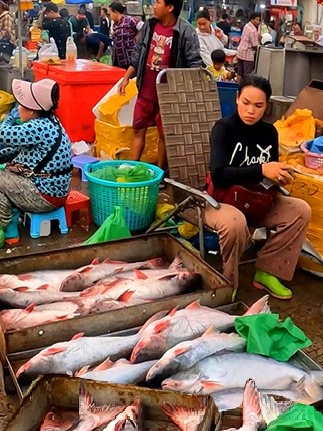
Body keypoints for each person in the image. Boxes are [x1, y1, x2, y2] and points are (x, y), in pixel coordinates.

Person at [205, 75, 310, 299]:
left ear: (266, 106)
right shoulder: (223, 129)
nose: (251, 111)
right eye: (246, 103)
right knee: (235, 223)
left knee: (301, 210)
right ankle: (228, 282)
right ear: (236, 99)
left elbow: (267, 174)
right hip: (222, 202)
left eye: (258, 105)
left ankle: (268, 271)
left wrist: (278, 177)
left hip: (257, 200)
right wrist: (261, 170)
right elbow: (219, 175)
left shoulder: (269, 133)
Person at [116, 0, 201, 168]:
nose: (154, 6)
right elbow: (138, 53)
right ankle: (131, 170)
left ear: (170, 7)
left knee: (164, 135)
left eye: (158, 2)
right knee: (138, 130)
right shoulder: (149, 26)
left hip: (168, 96)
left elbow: (194, 63)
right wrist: (126, 78)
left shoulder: (186, 31)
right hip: (145, 91)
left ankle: (160, 175)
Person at [0, 78, 71, 240]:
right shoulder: (49, 121)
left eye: (21, 106)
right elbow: (23, 147)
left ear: (32, 111)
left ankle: (7, 231)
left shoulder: (38, 126)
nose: (18, 108)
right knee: (6, 170)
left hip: (47, 196)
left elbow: (2, 135)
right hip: (55, 190)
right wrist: (1, 156)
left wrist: (10, 117)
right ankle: (13, 214)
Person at [108, 2, 139, 71]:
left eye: (110, 14)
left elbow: (143, 27)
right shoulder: (115, 24)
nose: (110, 16)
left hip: (129, 58)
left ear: (115, 12)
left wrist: (137, 38)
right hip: (118, 58)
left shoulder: (129, 20)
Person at [237, 11, 262, 78]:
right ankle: (246, 87)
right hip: (247, 54)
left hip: (240, 52)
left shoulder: (247, 25)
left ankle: (239, 88)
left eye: (259, 20)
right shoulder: (253, 30)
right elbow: (255, 45)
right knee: (247, 75)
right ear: (252, 19)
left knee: (240, 73)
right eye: (257, 19)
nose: (258, 22)